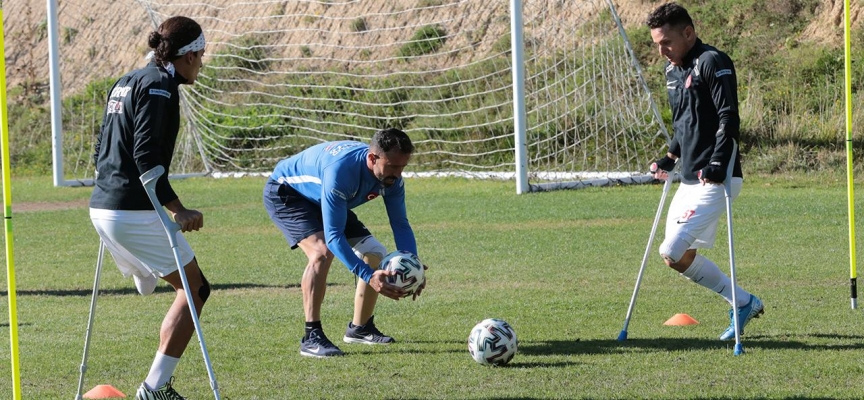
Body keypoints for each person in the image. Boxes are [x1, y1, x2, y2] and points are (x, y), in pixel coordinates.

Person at [89, 16, 208, 400]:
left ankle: (140, 270)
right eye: (201, 56)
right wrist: (178, 208)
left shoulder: (126, 80)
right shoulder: (161, 86)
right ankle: (153, 390)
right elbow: (146, 155)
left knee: (171, 282)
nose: (201, 65)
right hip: (131, 211)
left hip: (102, 206)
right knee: (196, 288)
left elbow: (100, 147)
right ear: (187, 56)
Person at [646, 3, 763, 341]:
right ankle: (744, 302)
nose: (661, 50)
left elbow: (729, 117)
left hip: (719, 178)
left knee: (670, 248)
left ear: (688, 33)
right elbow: (684, 125)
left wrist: (718, 161)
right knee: (675, 257)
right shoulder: (671, 72)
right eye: (656, 44)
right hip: (687, 180)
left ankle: (742, 303)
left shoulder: (713, 62)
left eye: (666, 42)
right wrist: (670, 156)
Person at [264, 128, 427, 358]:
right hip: (287, 194)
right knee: (321, 253)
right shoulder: (341, 172)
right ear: (372, 158)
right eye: (393, 166)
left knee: (375, 252)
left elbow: (400, 223)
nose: (398, 174)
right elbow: (333, 237)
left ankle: (359, 328)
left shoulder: (391, 179)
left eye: (402, 167)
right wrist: (370, 277)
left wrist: (413, 265)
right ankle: (311, 336)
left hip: (322, 197)